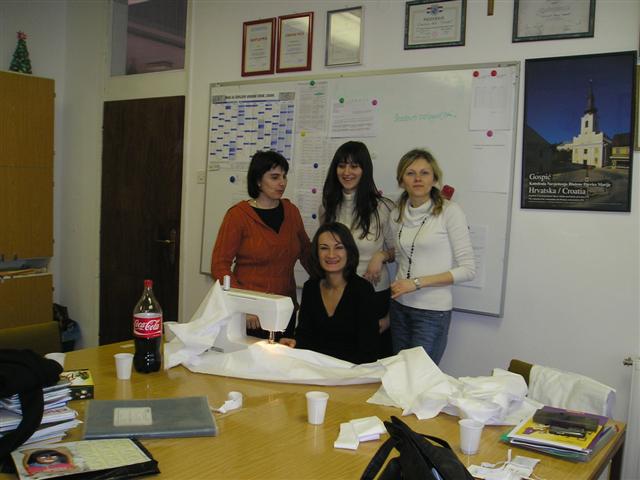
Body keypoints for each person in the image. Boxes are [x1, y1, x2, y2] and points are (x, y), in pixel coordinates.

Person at [211, 150, 311, 338]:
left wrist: (333, 282)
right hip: (252, 314)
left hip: (284, 309)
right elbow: (219, 265)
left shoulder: (292, 212)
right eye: (274, 177)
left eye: (284, 176)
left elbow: (307, 253)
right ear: (258, 181)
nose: (282, 182)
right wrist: (244, 306)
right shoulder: (238, 215)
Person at [389, 149, 475, 364]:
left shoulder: (450, 211)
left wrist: (417, 283)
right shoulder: (396, 214)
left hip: (431, 313)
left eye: (424, 173)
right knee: (399, 375)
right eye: (410, 173)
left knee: (421, 378)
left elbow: (468, 270)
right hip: (400, 308)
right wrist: (381, 255)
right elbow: (401, 255)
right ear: (401, 180)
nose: (417, 179)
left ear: (434, 179)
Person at [320, 141, 395, 358]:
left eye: (354, 166)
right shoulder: (327, 207)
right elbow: (325, 250)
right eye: (342, 165)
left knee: (370, 361)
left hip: (373, 293)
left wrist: (381, 256)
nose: (347, 172)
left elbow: (398, 251)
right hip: (336, 293)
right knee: (337, 358)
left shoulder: (383, 208)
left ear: (365, 170)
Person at [280, 223, 380, 364]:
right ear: (316, 253)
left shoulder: (363, 290)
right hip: (316, 368)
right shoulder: (310, 288)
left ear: (349, 251)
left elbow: (368, 351)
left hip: (351, 371)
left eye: (338, 247)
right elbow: (304, 335)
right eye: (324, 248)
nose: (331, 254)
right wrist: (294, 343)